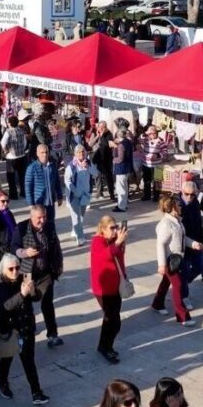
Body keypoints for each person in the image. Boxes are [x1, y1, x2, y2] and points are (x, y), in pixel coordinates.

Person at [0, 253, 49, 405]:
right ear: (3, 270)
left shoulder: (24, 278)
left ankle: (36, 392)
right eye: (11, 269)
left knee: (28, 361)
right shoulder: (0, 286)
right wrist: (22, 294)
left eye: (17, 268)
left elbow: (36, 297)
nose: (15, 271)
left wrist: (32, 291)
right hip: (10, 329)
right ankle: (2, 384)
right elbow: (6, 306)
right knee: (7, 358)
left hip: (25, 328)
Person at [10, 205, 64, 348]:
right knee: (26, 304)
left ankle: (52, 335)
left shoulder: (50, 226)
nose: (42, 220)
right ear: (31, 217)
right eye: (39, 217)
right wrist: (25, 253)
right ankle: (29, 330)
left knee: (47, 303)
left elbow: (56, 246)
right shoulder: (21, 228)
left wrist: (58, 265)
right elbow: (13, 248)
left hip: (45, 272)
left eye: (44, 217)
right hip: (27, 273)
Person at [90, 215, 129, 364]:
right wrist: (118, 242)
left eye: (116, 227)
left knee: (115, 320)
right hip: (103, 289)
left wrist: (121, 244)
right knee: (111, 319)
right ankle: (104, 347)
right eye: (111, 228)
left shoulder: (114, 241)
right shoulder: (97, 242)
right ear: (103, 229)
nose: (115, 230)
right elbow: (104, 256)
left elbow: (120, 259)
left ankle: (106, 346)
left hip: (115, 286)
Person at [153, 195, 193, 325]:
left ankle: (157, 303)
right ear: (173, 208)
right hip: (170, 260)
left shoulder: (177, 221)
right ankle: (182, 316)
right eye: (179, 205)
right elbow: (160, 244)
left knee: (166, 282)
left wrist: (193, 244)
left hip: (178, 259)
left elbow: (182, 238)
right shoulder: (166, 224)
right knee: (177, 286)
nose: (181, 206)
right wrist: (162, 265)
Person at [64, 144, 98, 247]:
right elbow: (67, 180)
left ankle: (75, 231)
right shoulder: (71, 166)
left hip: (85, 195)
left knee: (81, 216)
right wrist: (74, 191)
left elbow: (96, 174)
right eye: (78, 152)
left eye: (83, 151)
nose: (81, 154)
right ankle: (80, 238)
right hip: (74, 195)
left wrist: (88, 167)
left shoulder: (88, 163)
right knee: (76, 218)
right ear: (75, 154)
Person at [25, 144, 63, 222]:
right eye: (42, 152)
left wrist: (59, 196)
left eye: (46, 152)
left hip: (50, 202)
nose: (45, 155)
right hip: (39, 202)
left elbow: (57, 182)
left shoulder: (52, 166)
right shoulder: (32, 168)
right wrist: (30, 203)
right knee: (41, 225)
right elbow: (28, 186)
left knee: (51, 223)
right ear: (37, 154)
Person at [111, 128, 133, 212]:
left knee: (121, 189)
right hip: (127, 167)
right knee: (125, 187)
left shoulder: (121, 145)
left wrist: (113, 159)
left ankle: (121, 206)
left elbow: (120, 159)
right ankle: (123, 204)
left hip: (121, 168)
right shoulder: (129, 142)